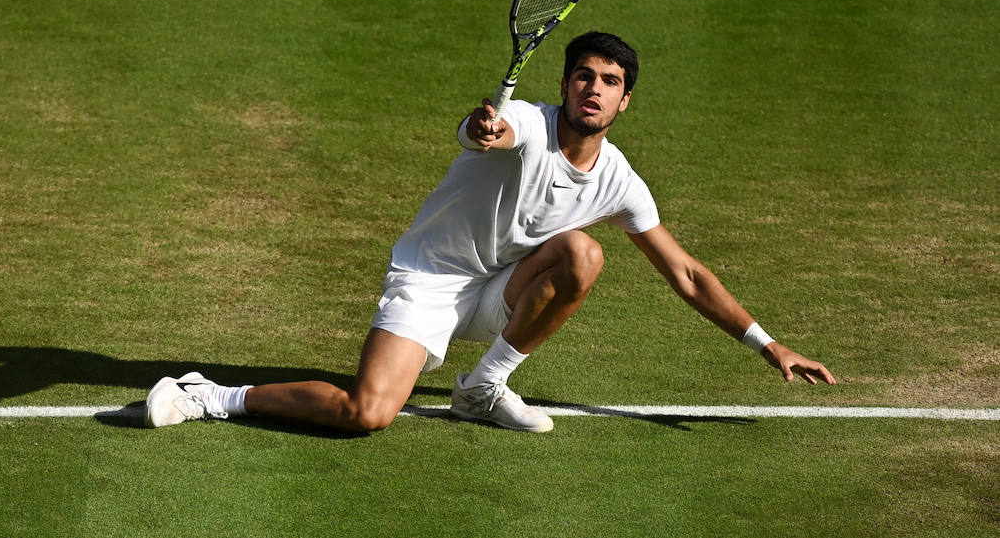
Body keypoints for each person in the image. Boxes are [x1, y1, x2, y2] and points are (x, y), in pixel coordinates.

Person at [144, 31, 836, 433]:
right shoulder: (527, 124)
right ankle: (212, 393)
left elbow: (685, 272)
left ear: (626, 100)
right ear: (564, 85)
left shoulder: (620, 180)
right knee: (367, 412)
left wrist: (768, 343)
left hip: (502, 291)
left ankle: (483, 388)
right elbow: (490, 131)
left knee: (583, 251)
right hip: (432, 278)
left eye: (610, 81)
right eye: (584, 77)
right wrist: (482, 128)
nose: (594, 89)